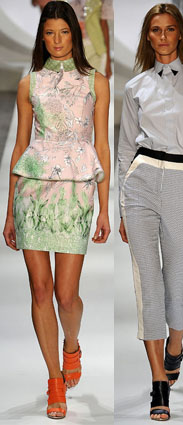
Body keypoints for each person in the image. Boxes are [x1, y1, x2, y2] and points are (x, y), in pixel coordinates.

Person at [2, 1, 110, 419]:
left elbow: (101, 145)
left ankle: (71, 343)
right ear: (41, 37)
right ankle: (53, 381)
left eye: (64, 32)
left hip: (76, 193)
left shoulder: (96, 82)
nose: (57, 40)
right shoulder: (29, 83)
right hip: (33, 191)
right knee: (40, 290)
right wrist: (9, 211)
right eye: (49, 33)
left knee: (67, 296)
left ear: (75, 35)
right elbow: (20, 146)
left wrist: (104, 207)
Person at [117, 3, 183, 421]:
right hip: (140, 181)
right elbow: (125, 150)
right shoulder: (135, 87)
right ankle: (158, 383)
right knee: (148, 287)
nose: (162, 36)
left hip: (182, 180)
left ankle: (174, 347)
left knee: (175, 289)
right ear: (148, 36)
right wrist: (121, 207)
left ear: (180, 33)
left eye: (169, 29)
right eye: (155, 30)